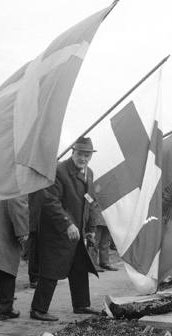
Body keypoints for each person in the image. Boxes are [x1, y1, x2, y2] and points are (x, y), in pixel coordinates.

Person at [30, 137, 100, 321]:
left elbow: (91, 201)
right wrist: (67, 223)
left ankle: (81, 304)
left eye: (87, 155)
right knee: (51, 269)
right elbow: (50, 201)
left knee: (79, 268)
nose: (83, 158)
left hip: (78, 232)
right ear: (73, 152)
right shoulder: (59, 171)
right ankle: (38, 309)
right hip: (57, 232)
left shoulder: (89, 173)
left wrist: (91, 228)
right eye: (80, 154)